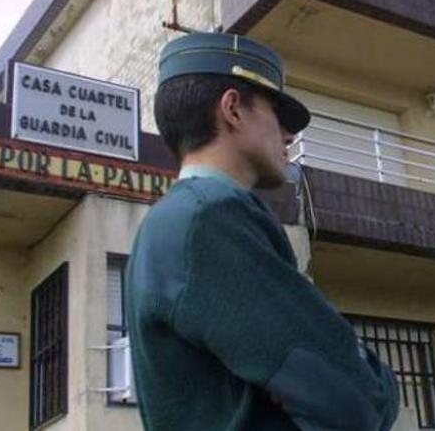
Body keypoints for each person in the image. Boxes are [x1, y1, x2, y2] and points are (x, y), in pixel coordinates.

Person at [126, 32, 400, 430]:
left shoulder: (174, 221)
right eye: (277, 114)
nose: (290, 136)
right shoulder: (211, 220)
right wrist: (382, 382)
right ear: (233, 109)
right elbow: (357, 403)